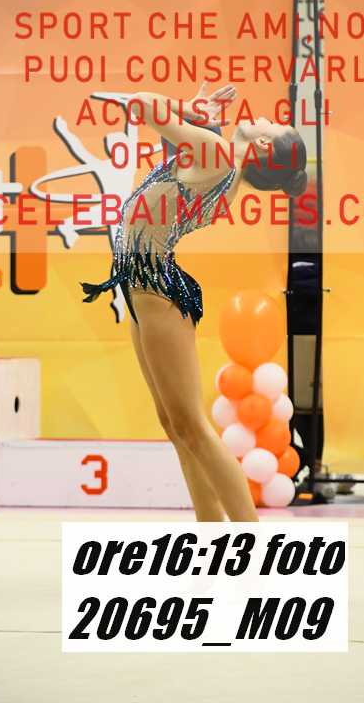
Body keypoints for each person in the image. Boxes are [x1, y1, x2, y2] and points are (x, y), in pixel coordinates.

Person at [80, 82, 308, 522]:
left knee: (194, 428)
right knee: (176, 424)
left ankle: (249, 537)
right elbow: (176, 165)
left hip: (155, 288)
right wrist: (197, 116)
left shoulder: (218, 158)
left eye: (270, 123)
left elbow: (144, 106)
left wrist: (185, 109)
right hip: (143, 286)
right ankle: (211, 529)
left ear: (264, 144)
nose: (260, 117)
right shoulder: (218, 163)